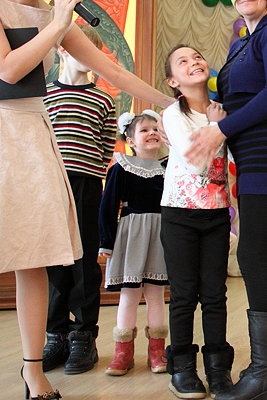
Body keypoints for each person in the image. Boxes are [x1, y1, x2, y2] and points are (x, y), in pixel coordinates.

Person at [0, 0, 173, 399]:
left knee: (34, 257)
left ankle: (33, 372)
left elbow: (117, 74)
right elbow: (6, 69)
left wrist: (178, 107)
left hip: (33, 133)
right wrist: (57, 24)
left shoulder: (55, 17)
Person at [181, 0, 267, 400]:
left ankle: (266, 370)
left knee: (253, 254)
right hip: (247, 153)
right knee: (258, 256)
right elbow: (233, 94)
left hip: (265, 152)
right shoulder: (241, 43)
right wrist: (215, 111)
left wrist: (221, 129)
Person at [41, 23, 114, 375]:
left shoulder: (104, 100)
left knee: (83, 260)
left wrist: (90, 174)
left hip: (86, 184)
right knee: (54, 260)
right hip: (51, 184)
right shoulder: (45, 96)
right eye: (82, 49)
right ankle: (56, 334)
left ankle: (84, 335)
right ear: (62, 50)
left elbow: (105, 147)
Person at [161, 44, 233, 399]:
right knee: (184, 295)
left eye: (198, 57)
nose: (194, 62)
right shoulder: (173, 114)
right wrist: (217, 127)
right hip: (179, 214)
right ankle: (183, 369)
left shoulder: (223, 110)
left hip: (217, 214)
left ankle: (218, 369)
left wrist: (222, 124)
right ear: (173, 81)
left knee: (215, 294)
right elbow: (194, 162)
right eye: (183, 61)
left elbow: (233, 160)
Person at [98, 110, 168, 377]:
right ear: (130, 140)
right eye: (144, 130)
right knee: (129, 294)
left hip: (159, 235)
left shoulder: (168, 169)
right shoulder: (121, 168)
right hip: (131, 234)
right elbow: (107, 205)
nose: (151, 133)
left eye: (155, 129)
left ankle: (157, 352)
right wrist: (106, 240)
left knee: (156, 294)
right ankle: (123, 353)